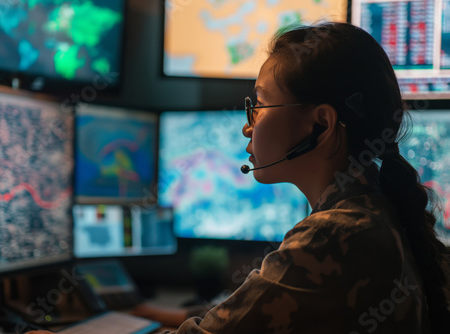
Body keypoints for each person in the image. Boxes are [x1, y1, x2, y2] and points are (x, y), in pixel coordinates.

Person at [27, 22, 450, 334]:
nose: (248, 126)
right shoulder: (374, 212)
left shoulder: (336, 235)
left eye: (260, 106)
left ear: (320, 124)